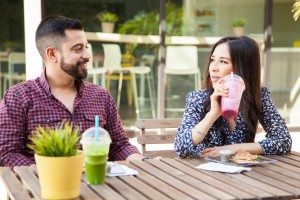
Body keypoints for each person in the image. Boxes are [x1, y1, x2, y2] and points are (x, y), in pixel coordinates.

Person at [0, 16, 144, 168]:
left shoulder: (100, 96)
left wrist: (141, 160)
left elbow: (119, 146)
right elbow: (6, 153)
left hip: (98, 187)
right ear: (52, 54)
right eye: (78, 49)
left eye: (86, 47)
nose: (87, 55)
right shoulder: (19, 97)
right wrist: (50, 173)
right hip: (43, 189)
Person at [175, 36, 292, 158]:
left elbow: (283, 140)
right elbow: (181, 147)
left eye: (223, 61)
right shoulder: (198, 98)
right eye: (212, 60)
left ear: (242, 67)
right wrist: (213, 114)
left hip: (244, 173)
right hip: (203, 173)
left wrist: (230, 149)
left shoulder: (258, 96)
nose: (213, 68)